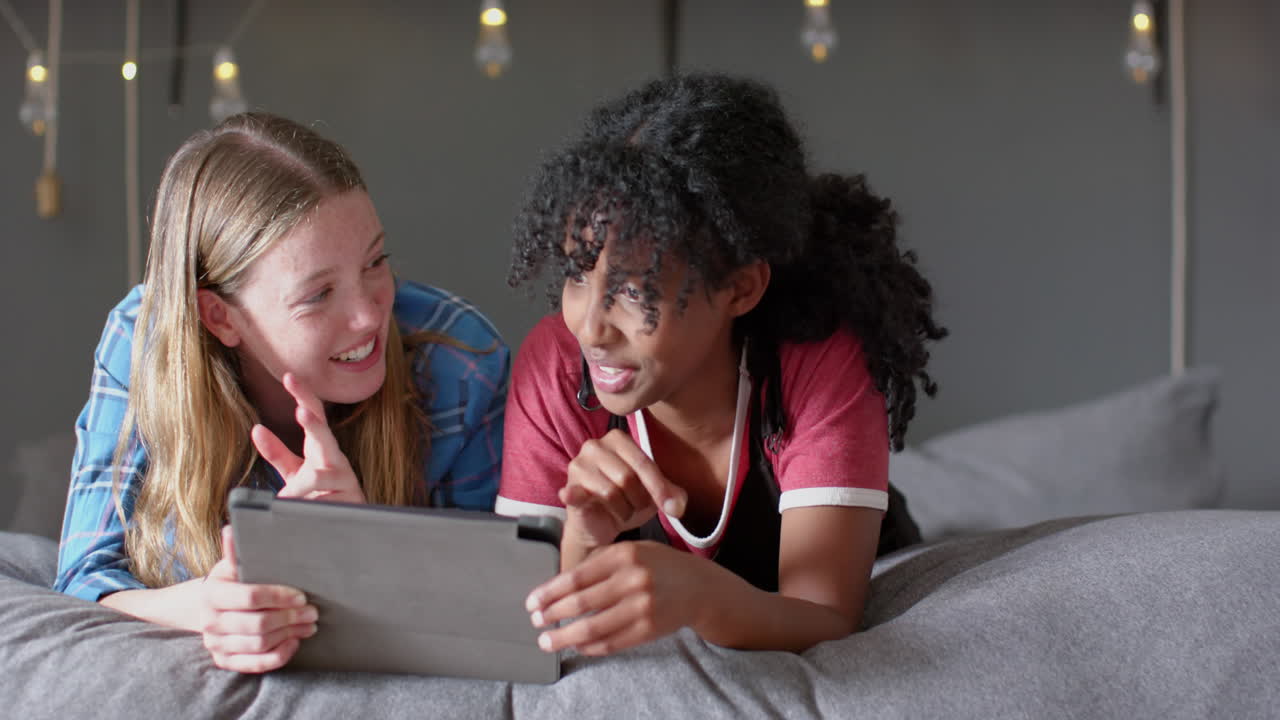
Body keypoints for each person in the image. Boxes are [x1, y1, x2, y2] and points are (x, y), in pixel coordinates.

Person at [497, 73, 946, 656]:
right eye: (578, 275)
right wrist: (582, 537)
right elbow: (529, 634)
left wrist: (699, 598)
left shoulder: (817, 361)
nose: (590, 328)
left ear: (739, 288)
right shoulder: (555, 364)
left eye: (635, 292)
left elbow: (825, 616)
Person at [55, 112, 509, 673]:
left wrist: (369, 549)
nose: (370, 314)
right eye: (318, 294)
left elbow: (504, 603)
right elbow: (84, 577)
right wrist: (210, 606)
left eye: (375, 262)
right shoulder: (143, 341)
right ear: (219, 316)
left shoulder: (460, 360)